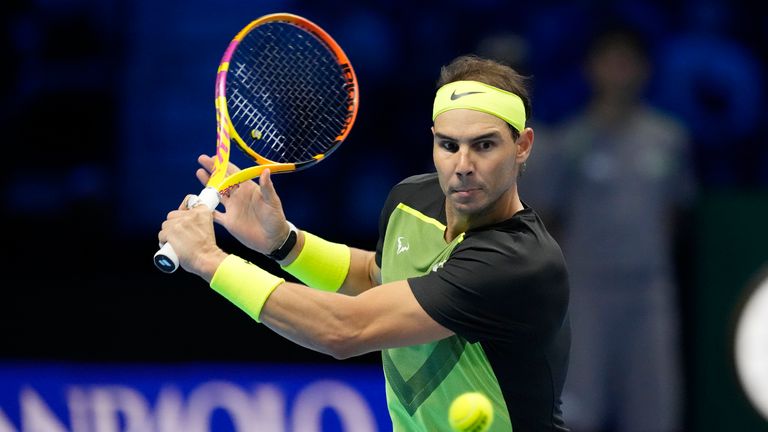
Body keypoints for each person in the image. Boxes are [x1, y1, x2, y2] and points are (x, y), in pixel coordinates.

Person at [158, 55, 571, 432]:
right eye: (448, 145)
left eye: (484, 145)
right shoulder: (411, 200)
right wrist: (284, 243)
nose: (462, 166)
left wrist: (211, 261)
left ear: (522, 146)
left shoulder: (519, 261)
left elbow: (346, 328)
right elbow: (378, 279)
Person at [521, 28, 696, 432]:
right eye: (609, 61)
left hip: (651, 293)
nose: (619, 71)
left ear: (644, 70)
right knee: (580, 410)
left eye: (627, 61)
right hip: (587, 293)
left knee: (655, 411)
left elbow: (676, 214)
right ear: (591, 69)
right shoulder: (570, 142)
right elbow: (547, 218)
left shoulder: (669, 139)